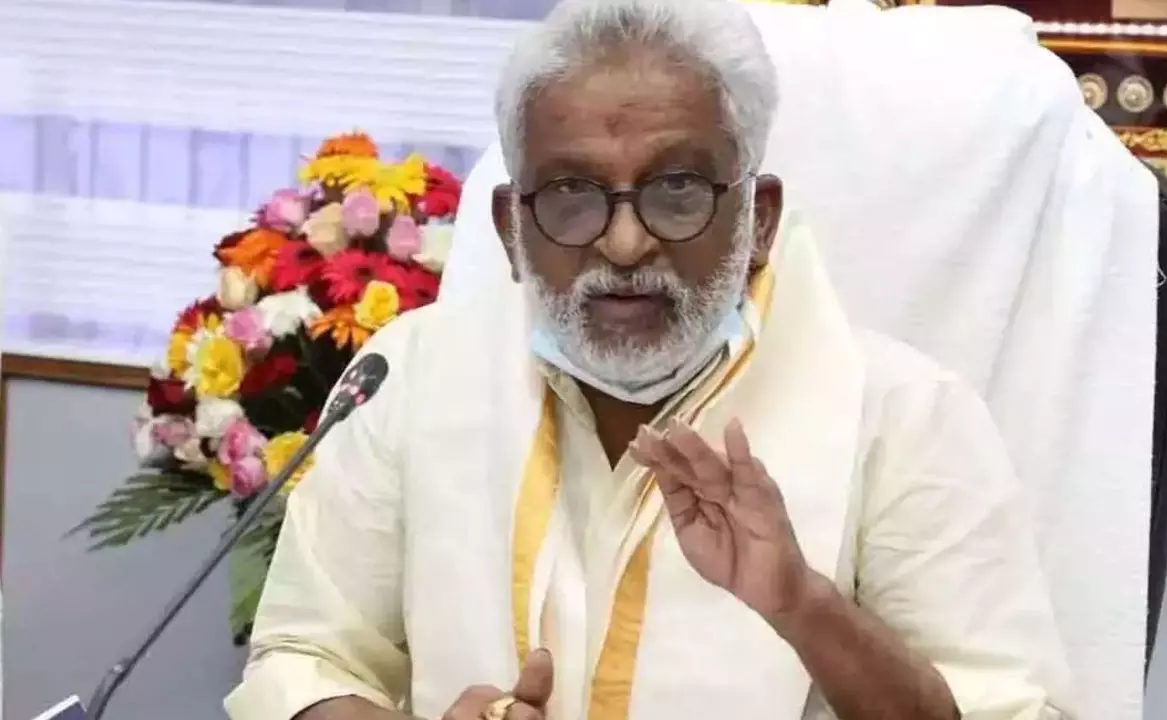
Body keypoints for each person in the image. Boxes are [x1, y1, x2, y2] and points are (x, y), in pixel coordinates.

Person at [226, 1, 1073, 718]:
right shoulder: (410, 378)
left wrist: (805, 607)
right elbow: (305, 661)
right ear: (510, 231)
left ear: (759, 222)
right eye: (572, 194)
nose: (626, 244)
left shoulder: (904, 417)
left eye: (677, 189)